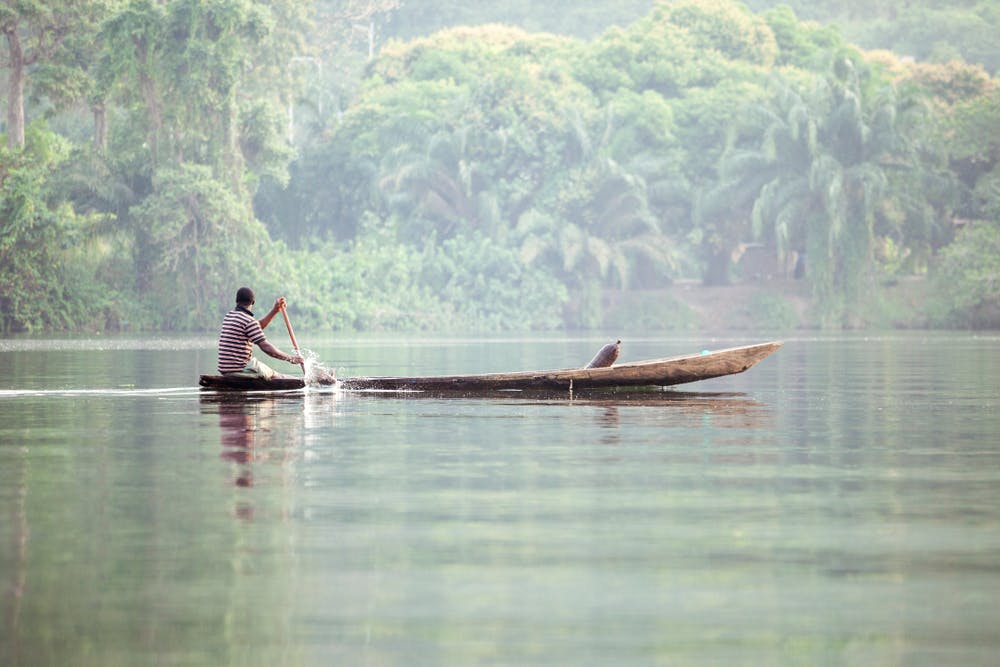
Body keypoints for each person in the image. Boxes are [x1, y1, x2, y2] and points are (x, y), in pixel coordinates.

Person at [217, 287, 304, 379]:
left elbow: (256, 327)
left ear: (236, 301)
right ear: (253, 302)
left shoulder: (229, 316)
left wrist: (275, 311)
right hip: (239, 370)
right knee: (277, 375)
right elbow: (266, 347)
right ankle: (300, 381)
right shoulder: (249, 321)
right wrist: (290, 358)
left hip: (225, 370)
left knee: (270, 373)